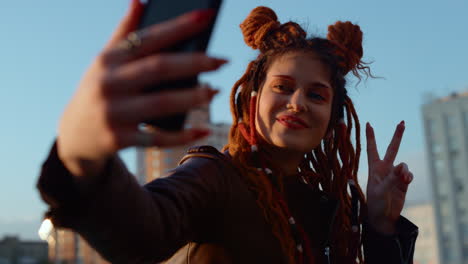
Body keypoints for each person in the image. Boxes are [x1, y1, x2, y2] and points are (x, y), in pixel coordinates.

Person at [37, 1, 418, 263]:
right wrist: (81, 150)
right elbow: (141, 233)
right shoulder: (214, 175)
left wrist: (381, 226)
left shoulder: (337, 210)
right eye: (282, 87)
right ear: (252, 100)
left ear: (334, 118)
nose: (298, 102)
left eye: (316, 95)